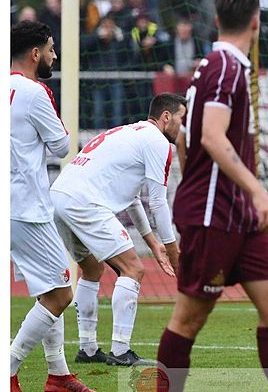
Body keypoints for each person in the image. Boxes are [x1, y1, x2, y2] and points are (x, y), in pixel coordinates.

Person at [157, 0, 268, 391]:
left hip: (239, 214)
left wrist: (199, 180)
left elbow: (185, 136)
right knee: (188, 319)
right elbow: (212, 137)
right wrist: (257, 191)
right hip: (214, 214)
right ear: (256, 22)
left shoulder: (214, 65)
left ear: (217, 21)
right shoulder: (225, 67)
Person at [50, 94, 184, 366]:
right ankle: (121, 351)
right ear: (166, 117)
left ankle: (87, 349)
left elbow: (132, 198)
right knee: (133, 269)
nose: (184, 127)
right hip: (84, 202)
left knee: (92, 269)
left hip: (59, 197)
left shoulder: (128, 132)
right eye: (183, 118)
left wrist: (153, 242)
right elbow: (158, 202)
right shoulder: (158, 142)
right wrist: (173, 249)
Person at [10, 21, 94, 392]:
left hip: (11, 205)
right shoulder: (35, 91)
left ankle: (58, 374)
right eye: (51, 49)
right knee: (61, 293)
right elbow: (61, 146)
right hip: (27, 208)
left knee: (48, 290)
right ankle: (8, 367)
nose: (54, 56)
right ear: (35, 54)